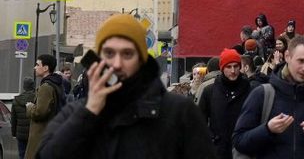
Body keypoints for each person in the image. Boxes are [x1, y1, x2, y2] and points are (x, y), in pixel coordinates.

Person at [33, 13, 215, 158]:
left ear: (141, 60)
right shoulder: (75, 114)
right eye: (109, 53)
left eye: (127, 54)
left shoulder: (179, 113)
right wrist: (88, 113)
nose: (117, 63)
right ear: (99, 59)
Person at [232, 35, 304, 158]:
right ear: (287, 57)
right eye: (301, 61)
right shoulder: (262, 94)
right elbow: (239, 141)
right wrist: (267, 129)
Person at [201, 49, 251, 159]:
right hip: (218, 150)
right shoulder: (209, 91)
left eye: (236, 66)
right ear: (222, 68)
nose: (233, 71)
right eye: (229, 67)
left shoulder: (250, 89)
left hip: (243, 150)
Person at [25, 53, 67, 159]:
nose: (35, 67)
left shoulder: (46, 87)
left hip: (41, 137)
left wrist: (29, 107)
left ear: (45, 68)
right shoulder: (56, 84)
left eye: (37, 64)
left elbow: (39, 112)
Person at [13, 77, 36, 159]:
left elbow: (13, 119)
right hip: (33, 133)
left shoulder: (16, 100)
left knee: (22, 155)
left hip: (20, 134)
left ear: (24, 87)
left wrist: (14, 133)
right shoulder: (36, 98)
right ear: (33, 86)